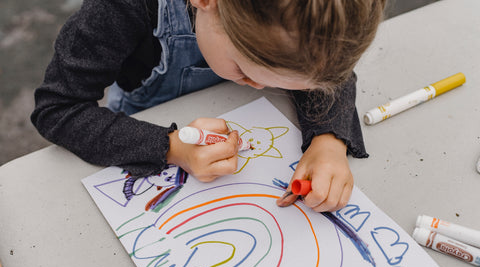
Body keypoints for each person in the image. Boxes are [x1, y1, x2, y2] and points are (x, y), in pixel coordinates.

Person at [32, 0, 386, 213]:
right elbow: (58, 108)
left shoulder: (317, 24)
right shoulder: (119, 10)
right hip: (141, 113)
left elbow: (329, 72)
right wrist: (170, 147)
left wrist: (328, 139)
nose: (260, 87)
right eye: (245, 73)